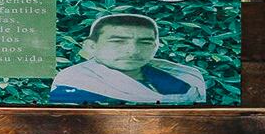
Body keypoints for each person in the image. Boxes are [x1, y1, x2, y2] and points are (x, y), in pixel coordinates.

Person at [49, 13, 207, 105]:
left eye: (145, 42)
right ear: (91, 46)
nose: (133, 51)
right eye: (117, 41)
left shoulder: (184, 79)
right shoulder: (74, 83)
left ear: (155, 47)